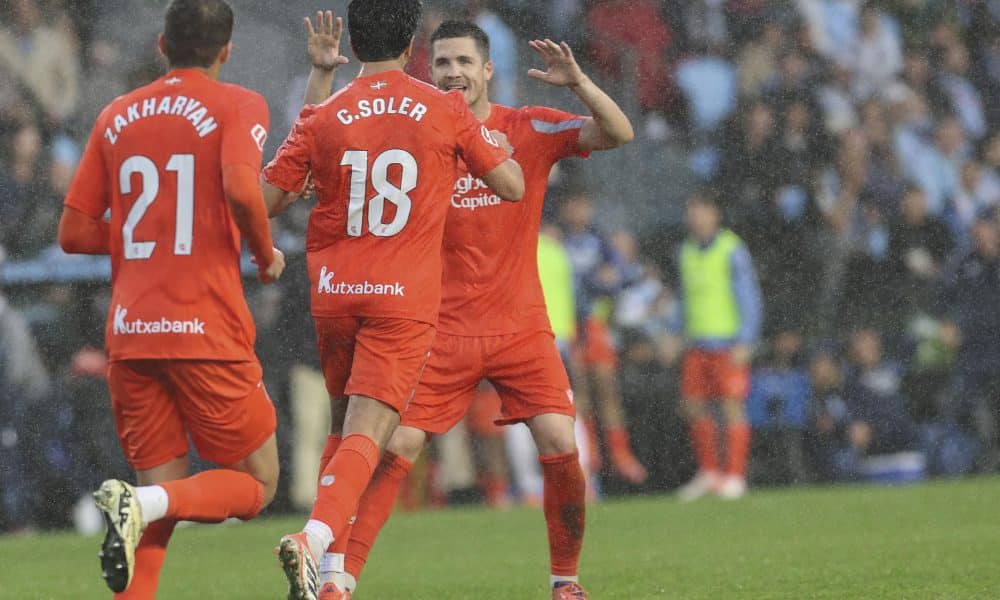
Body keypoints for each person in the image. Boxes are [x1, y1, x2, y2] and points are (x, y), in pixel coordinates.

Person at [299, 15, 632, 599]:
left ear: (487, 69)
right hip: (437, 328)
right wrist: (323, 80)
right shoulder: (420, 129)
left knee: (560, 439)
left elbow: (618, 133)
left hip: (519, 327)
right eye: (443, 62)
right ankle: (339, 580)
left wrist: (578, 82)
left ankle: (566, 582)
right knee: (395, 445)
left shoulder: (525, 127)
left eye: (463, 62)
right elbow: (320, 142)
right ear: (428, 66)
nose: (453, 72)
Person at [261, 4, 524, 599]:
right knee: (368, 436)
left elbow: (265, 197)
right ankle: (314, 539)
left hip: (334, 295)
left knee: (342, 433)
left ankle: (332, 586)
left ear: (353, 42)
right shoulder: (444, 107)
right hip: (400, 298)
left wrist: (321, 81)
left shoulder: (325, 113)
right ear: (415, 45)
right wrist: (482, 144)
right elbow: (510, 184)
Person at [57, 0, 286, 596]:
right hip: (204, 326)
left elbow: (74, 231)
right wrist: (263, 254)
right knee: (259, 483)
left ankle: (140, 506)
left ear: (161, 44)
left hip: (132, 334)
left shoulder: (116, 115)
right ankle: (141, 500)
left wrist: (149, 234)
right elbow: (241, 185)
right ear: (227, 50)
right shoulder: (240, 103)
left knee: (155, 508)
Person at [674, 192, 762, 501]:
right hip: (697, 343)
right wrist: (678, 332)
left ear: (715, 214)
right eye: (692, 210)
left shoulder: (731, 249)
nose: (696, 217)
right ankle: (710, 471)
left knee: (731, 406)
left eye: (702, 210)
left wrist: (747, 339)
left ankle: (735, 476)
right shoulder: (685, 250)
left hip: (727, 342)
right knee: (693, 406)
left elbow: (748, 294)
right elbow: (686, 297)